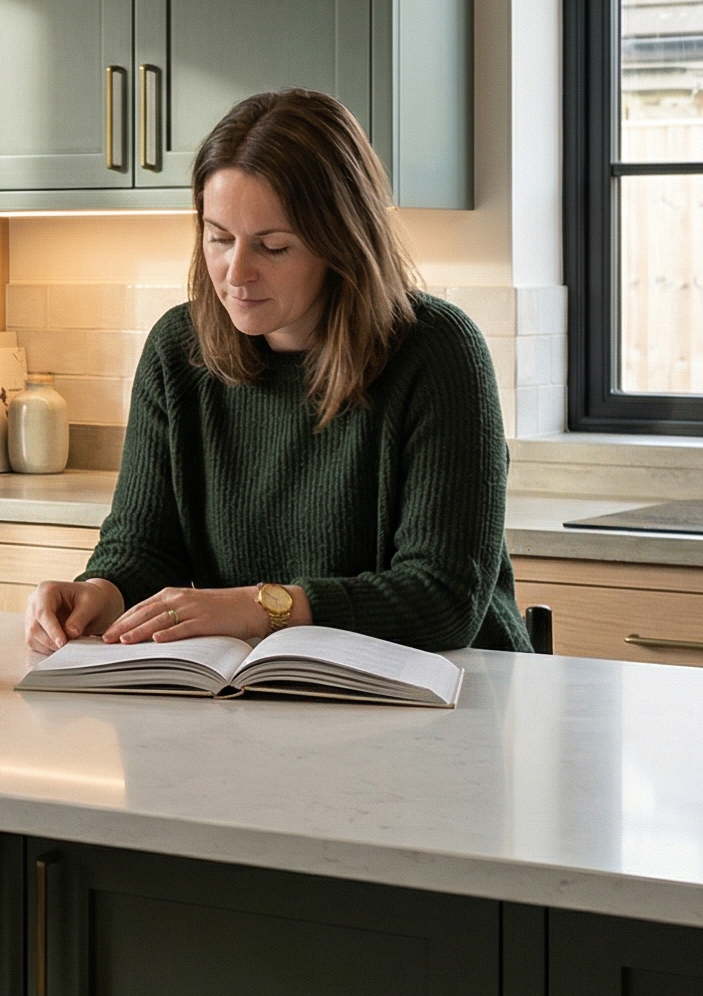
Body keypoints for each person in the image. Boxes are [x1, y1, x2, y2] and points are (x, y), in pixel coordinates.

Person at [26, 88, 528, 657]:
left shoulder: (438, 352)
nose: (236, 272)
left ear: (341, 243)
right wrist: (101, 592)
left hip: (458, 695)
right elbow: (145, 547)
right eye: (218, 238)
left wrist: (257, 607)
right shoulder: (178, 350)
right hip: (267, 694)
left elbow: (443, 600)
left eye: (273, 247)